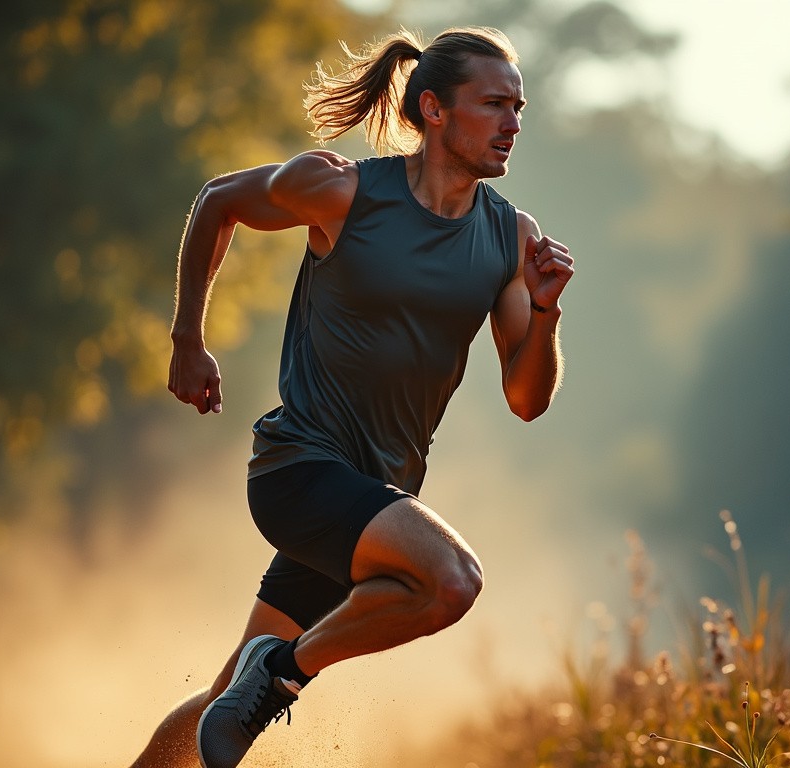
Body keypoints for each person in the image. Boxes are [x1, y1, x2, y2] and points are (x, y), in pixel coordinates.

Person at [129, 25, 574, 768]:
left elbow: (527, 399)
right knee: (452, 581)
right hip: (298, 470)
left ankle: (257, 679)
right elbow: (217, 200)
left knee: (219, 708)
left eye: (519, 107)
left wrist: (549, 308)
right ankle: (280, 672)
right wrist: (186, 338)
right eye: (494, 105)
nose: (513, 124)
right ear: (433, 109)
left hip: (375, 493)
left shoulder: (508, 236)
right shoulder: (343, 190)